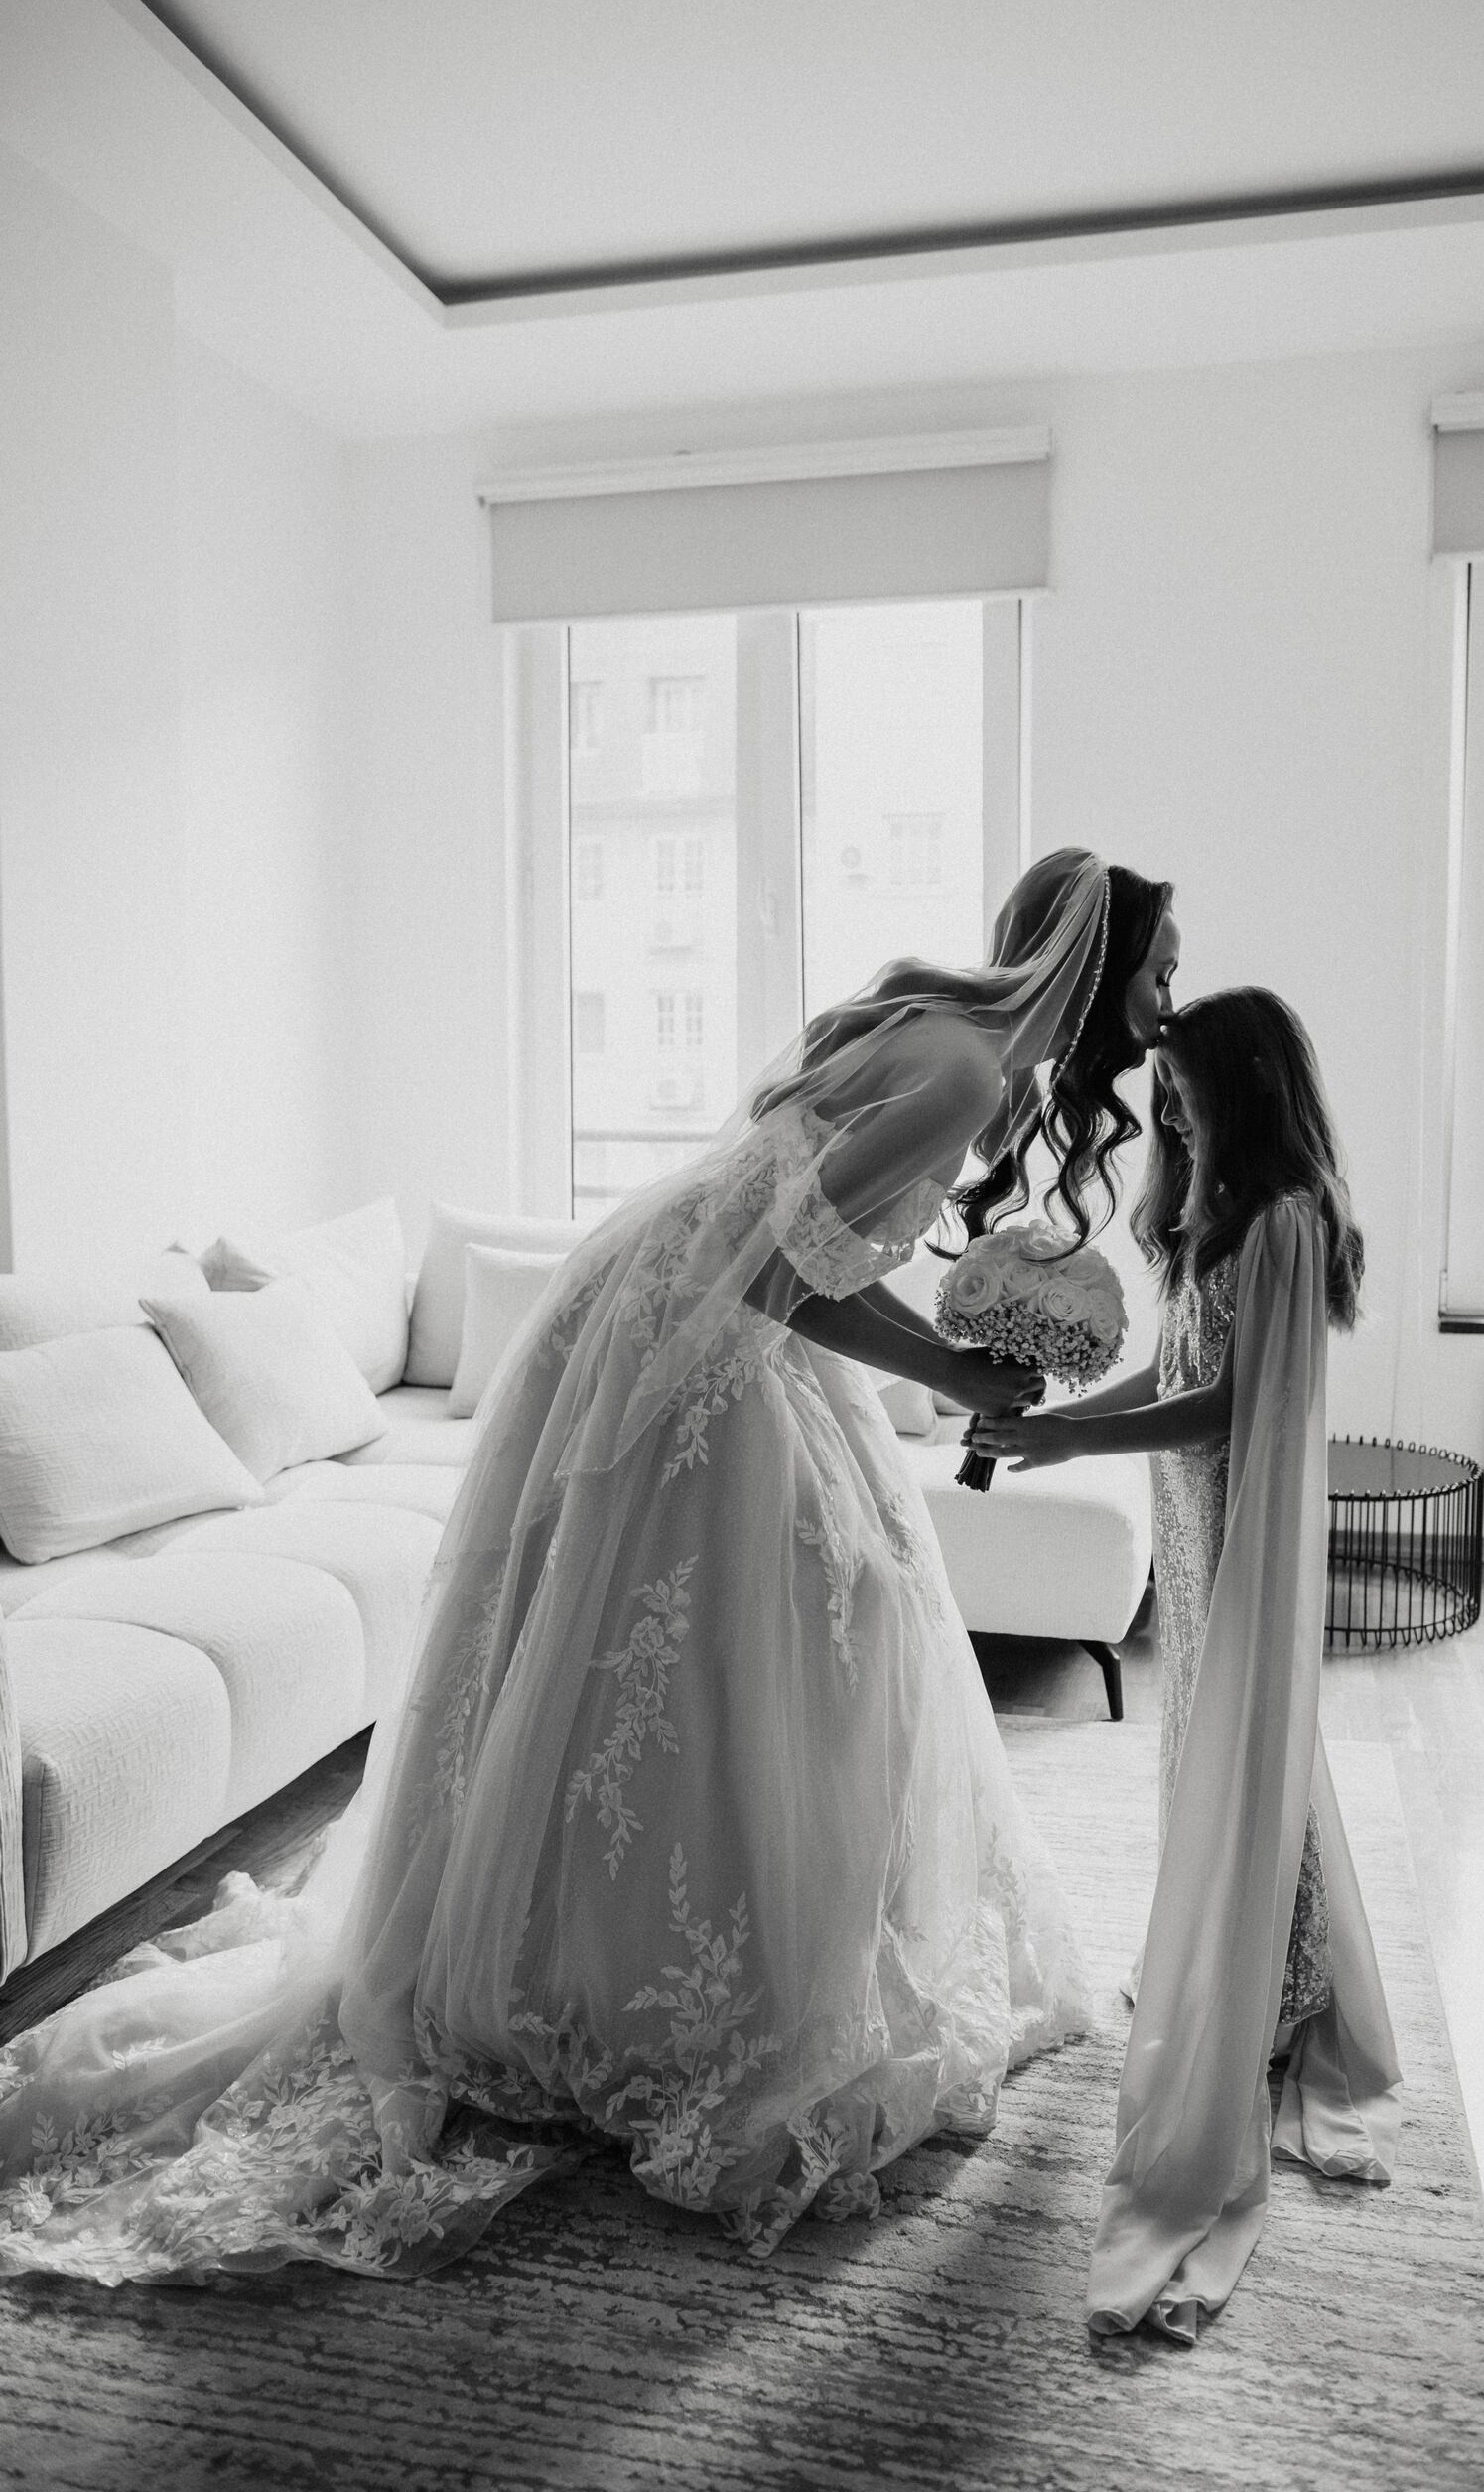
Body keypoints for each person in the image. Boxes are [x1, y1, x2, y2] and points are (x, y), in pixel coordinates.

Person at [0, 849, 1179, 2284]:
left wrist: (952, 1344)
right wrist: (950, 1364)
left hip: (671, 1310)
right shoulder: (968, 1073)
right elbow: (778, 1269)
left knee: (773, 1628)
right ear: (1098, 967)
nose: (1167, 1005)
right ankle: (657, 1994)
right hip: (702, 1332)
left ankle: (633, 1955)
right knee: (776, 1626)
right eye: (1160, 973)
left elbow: (795, 1242)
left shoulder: (942, 1042)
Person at [971, 989, 1401, 2344]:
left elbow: (1224, 1403)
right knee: (1203, 1737)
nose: (1169, 1111)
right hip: (1192, 1516)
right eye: (1165, 1095)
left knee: (1241, 1733)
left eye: (1186, 1089)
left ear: (1244, 1086)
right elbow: (1171, 1368)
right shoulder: (1211, 1206)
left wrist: (1075, 1445)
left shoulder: (1285, 1220)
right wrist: (1055, 1420)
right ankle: (1250, 1958)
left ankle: (1273, 1985)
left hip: (1235, 1511)